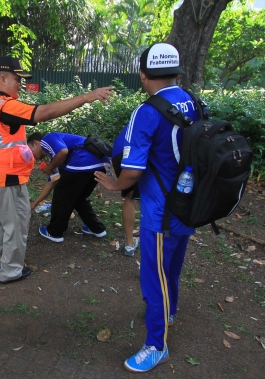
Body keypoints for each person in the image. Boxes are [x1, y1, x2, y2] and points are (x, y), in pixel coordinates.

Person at [94, 43, 200, 373]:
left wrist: (114, 184)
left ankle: (157, 345)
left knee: (154, 276)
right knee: (172, 266)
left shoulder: (147, 112)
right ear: (176, 72)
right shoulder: (193, 102)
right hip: (189, 202)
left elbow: (134, 168)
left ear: (143, 75)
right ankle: (168, 311)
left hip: (160, 210)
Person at [0, 56, 114, 284]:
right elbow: (45, 113)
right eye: (17, 79)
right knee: (16, 224)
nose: (20, 85)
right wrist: (86, 97)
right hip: (6, 178)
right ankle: (10, 271)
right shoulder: (5, 105)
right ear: (2, 78)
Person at [28, 132, 109, 243]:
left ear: (36, 143)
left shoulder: (47, 139)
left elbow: (63, 151)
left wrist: (49, 167)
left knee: (61, 195)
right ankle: (97, 228)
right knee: (79, 198)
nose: (31, 156)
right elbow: (52, 182)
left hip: (83, 162)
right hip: (101, 164)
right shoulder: (58, 159)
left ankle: (54, 232)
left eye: (29, 150)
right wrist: (35, 203)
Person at [112, 125, 140, 256]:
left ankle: (129, 244)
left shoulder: (143, 112)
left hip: (119, 152)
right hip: (138, 151)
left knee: (130, 197)